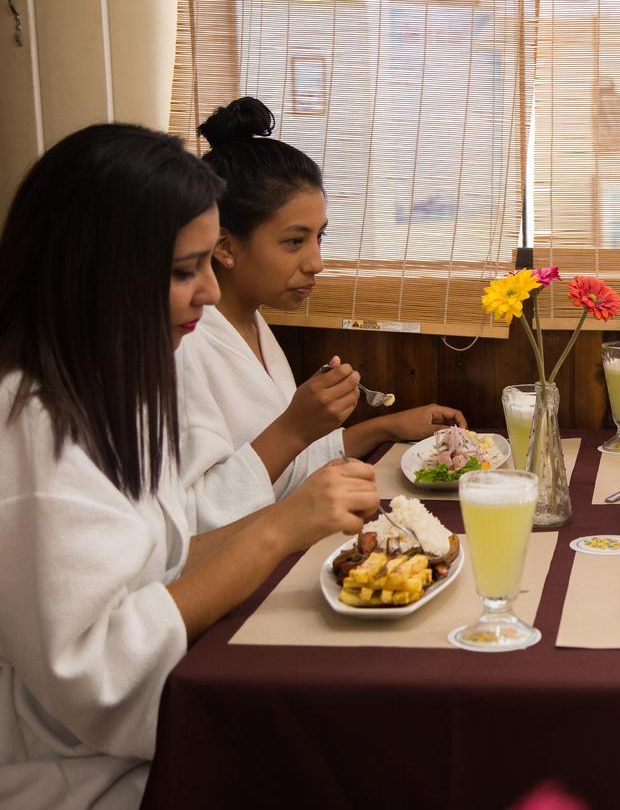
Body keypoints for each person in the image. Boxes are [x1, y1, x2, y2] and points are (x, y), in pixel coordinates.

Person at [0, 123, 379, 808]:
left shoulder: (113, 392)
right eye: (185, 270)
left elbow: (164, 568)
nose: (209, 292)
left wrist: (299, 519)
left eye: (209, 263)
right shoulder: (34, 426)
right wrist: (276, 529)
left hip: (136, 735)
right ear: (96, 268)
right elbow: (99, 671)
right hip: (81, 774)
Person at [179, 97, 466, 532]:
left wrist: (385, 427)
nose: (317, 262)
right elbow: (194, 523)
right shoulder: (184, 347)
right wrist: (295, 426)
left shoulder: (253, 323)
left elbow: (286, 471)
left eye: (319, 236)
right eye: (295, 241)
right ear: (225, 247)